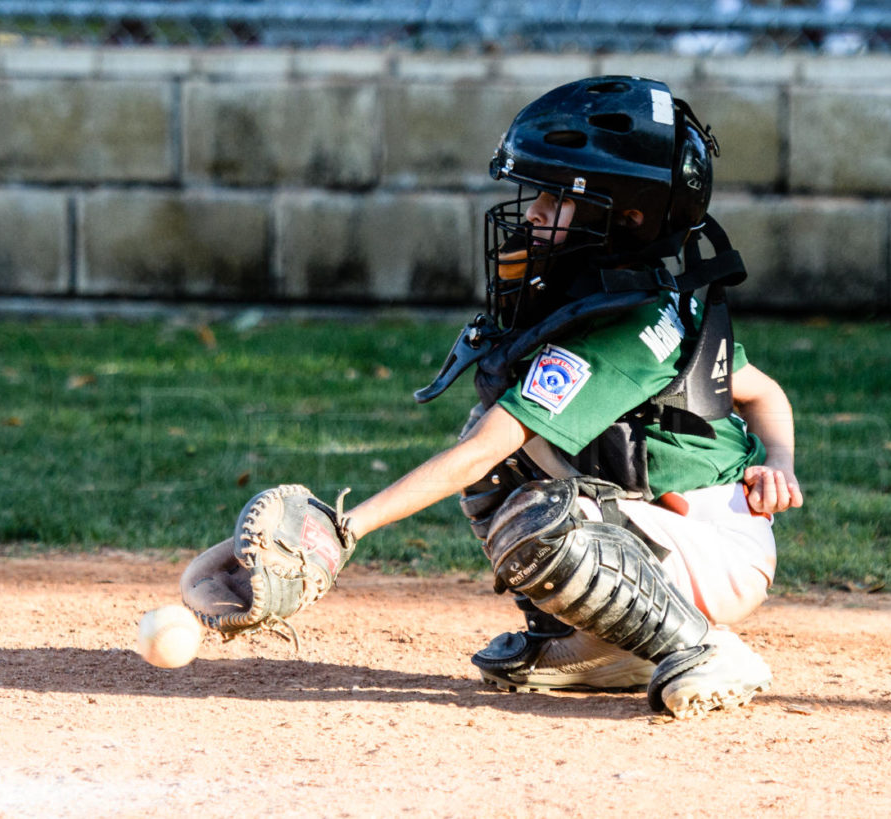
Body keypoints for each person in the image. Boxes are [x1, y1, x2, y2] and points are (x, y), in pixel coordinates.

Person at [341, 75, 803, 719]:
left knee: (526, 503)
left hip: (711, 549)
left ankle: (698, 648)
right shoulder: (640, 296)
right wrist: (778, 459)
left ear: (627, 217)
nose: (530, 213)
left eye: (556, 199)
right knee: (512, 464)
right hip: (685, 530)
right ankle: (602, 646)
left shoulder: (621, 328)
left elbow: (482, 451)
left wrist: (345, 530)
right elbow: (763, 391)